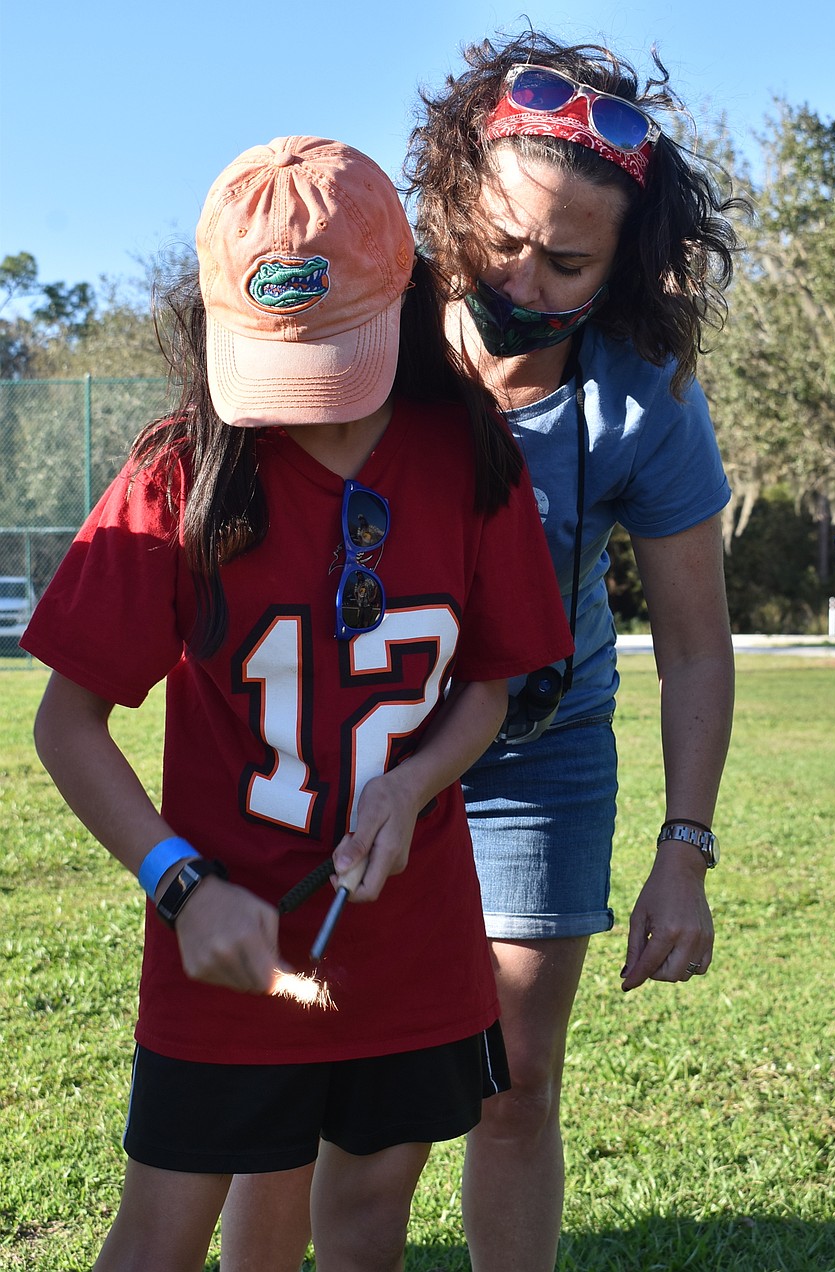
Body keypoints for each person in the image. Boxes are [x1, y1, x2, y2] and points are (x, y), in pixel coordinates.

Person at [223, 30, 740, 1272]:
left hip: (535, 752)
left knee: (513, 1080)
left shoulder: (639, 395)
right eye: (502, 238)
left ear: (622, 272)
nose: (524, 277)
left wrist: (685, 848)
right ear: (454, 199)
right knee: (306, 1073)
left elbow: (695, 646)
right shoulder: (366, 323)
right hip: (344, 744)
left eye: (569, 264)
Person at [21, 134, 573, 1272]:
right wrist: (178, 884)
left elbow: (488, 686)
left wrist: (417, 781)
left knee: (367, 1220)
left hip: (410, 944)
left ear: (407, 302)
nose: (308, 403)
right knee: (166, 1232)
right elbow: (65, 720)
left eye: (342, 355)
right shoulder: (179, 472)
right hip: (219, 937)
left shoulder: (475, 460)